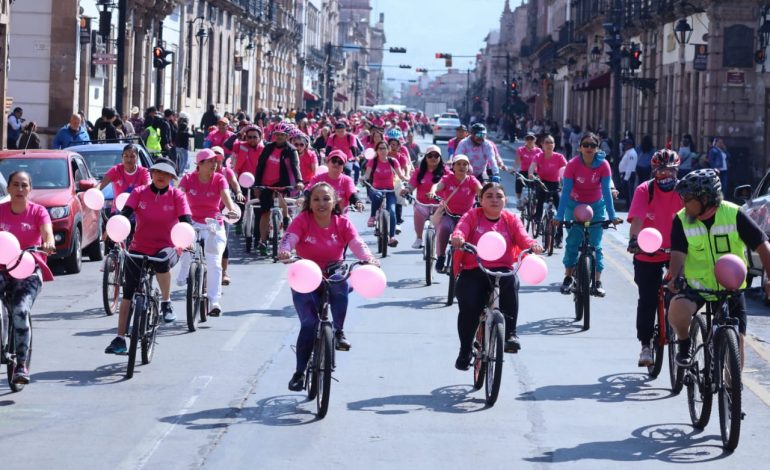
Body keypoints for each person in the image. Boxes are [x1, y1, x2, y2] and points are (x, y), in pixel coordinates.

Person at [278, 183, 378, 391]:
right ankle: (299, 373)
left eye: (326, 199)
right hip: (306, 276)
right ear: (309, 203)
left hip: (334, 273)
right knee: (309, 324)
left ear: (334, 202)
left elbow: (357, 243)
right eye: (316, 199)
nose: (321, 203)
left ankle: (339, 332)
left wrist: (368, 258)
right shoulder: (302, 220)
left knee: (340, 283)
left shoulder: (342, 223)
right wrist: (285, 250)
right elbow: (289, 239)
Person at [667, 169, 770, 368]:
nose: (683, 203)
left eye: (687, 198)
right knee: (677, 308)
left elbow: (762, 246)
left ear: (705, 198)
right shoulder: (681, 220)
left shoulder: (734, 214)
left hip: (732, 288)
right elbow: (678, 255)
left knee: (736, 350)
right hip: (698, 287)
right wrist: (675, 277)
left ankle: (732, 391)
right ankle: (684, 344)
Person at [450, 183, 544, 369]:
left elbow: (523, 237)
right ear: (481, 199)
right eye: (489, 196)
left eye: (499, 196)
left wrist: (533, 244)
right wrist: (458, 237)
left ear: (505, 200)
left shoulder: (511, 219)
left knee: (512, 282)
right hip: (474, 267)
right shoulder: (473, 215)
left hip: (502, 269)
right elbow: (461, 228)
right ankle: (465, 350)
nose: (494, 199)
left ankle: (510, 334)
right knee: (469, 308)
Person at [104, 158, 192, 354]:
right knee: (128, 292)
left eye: (166, 174)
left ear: (171, 177)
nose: (161, 176)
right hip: (139, 246)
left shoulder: (177, 195)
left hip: (167, 246)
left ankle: (166, 303)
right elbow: (125, 214)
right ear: (151, 173)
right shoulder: (139, 192)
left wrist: (188, 238)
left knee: (161, 262)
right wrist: (114, 230)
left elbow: (186, 221)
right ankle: (119, 338)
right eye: (158, 172)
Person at [626, 149, 683, 367]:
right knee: (648, 298)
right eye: (661, 171)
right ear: (654, 172)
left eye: (670, 171)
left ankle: (681, 335)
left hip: (677, 251)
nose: (665, 175)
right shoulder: (645, 190)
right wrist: (634, 242)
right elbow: (637, 219)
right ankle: (646, 345)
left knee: (681, 292)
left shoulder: (683, 191)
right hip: (648, 251)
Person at [0, 171, 56, 384]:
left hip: (28, 270)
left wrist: (48, 242)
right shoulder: (1, 211)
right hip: (2, 268)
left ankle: (21, 364)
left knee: (20, 311)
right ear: (9, 189)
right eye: (16, 185)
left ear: (30, 189)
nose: (20, 189)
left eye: (24, 185)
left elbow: (47, 232)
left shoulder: (38, 212)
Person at [555, 132, 621, 297]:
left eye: (593, 145)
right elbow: (566, 192)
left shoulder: (603, 165)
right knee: (573, 241)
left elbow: (606, 191)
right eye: (586, 145)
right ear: (580, 147)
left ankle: (598, 282)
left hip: (597, 206)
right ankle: (568, 277)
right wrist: (559, 216)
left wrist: (612, 216)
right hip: (574, 205)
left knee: (596, 244)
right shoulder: (572, 164)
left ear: (597, 148)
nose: (589, 148)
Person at [175, 149, 239, 316]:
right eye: (210, 161)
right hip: (192, 221)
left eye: (216, 161)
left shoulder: (219, 178)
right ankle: (184, 269)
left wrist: (231, 209)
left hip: (213, 224)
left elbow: (226, 196)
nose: (215, 164)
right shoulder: (188, 178)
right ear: (200, 164)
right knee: (187, 245)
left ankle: (214, 301)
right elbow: (180, 194)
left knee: (214, 262)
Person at [253, 122, 304, 256]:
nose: (279, 137)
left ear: (287, 136)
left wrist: (299, 181)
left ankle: (286, 217)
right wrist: (256, 184)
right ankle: (263, 241)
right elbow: (260, 166)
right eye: (277, 135)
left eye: (282, 135)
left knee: (279, 197)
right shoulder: (268, 148)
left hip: (281, 183)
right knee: (265, 213)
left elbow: (295, 166)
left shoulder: (291, 150)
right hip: (265, 183)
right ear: (274, 135)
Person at [428, 154, 483, 272]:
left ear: (468, 167)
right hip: (449, 214)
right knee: (443, 228)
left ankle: (471, 262)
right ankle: (441, 256)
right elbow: (437, 186)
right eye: (458, 164)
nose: (462, 167)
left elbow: (480, 190)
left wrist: (486, 196)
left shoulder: (471, 180)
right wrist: (433, 191)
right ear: (453, 166)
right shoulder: (448, 178)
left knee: (473, 236)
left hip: (466, 218)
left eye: (465, 164)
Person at [401, 145, 449, 249]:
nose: (433, 158)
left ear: (440, 158)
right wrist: (407, 189)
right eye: (430, 155)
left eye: (436, 156)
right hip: (422, 203)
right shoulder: (419, 171)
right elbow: (412, 183)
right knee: (418, 212)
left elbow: (453, 182)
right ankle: (419, 238)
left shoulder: (446, 172)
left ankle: (438, 242)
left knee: (442, 225)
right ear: (425, 157)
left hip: (439, 205)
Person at [363, 140, 407, 247]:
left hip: (390, 191)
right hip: (376, 189)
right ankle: (373, 216)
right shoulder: (373, 162)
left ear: (388, 150)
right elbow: (367, 175)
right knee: (377, 197)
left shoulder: (393, 161)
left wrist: (407, 178)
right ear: (377, 151)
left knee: (392, 211)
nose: (383, 151)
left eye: (385, 148)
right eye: (380, 148)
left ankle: (392, 237)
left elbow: (400, 175)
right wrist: (362, 178)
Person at [529, 134, 567, 246]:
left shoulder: (559, 157)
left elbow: (568, 168)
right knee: (539, 200)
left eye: (551, 142)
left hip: (555, 184)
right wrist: (531, 174)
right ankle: (538, 220)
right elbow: (532, 167)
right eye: (547, 142)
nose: (549, 145)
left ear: (554, 144)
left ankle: (559, 237)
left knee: (560, 210)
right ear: (542, 145)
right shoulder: (539, 156)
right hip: (542, 183)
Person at [97, 144, 151, 211]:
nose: (129, 159)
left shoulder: (144, 172)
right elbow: (101, 184)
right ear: (122, 157)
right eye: (126, 156)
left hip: (138, 211)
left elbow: (149, 188)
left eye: (132, 156)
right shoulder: (116, 170)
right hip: (118, 211)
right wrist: (94, 191)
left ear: (137, 158)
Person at [515, 132, 543, 206]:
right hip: (524, 171)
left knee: (539, 184)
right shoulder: (521, 150)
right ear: (525, 140)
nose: (530, 140)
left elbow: (541, 163)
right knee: (518, 180)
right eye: (528, 139)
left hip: (534, 172)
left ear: (535, 140)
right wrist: (514, 169)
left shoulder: (539, 151)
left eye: (532, 138)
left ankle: (536, 200)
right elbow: (517, 161)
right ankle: (518, 200)